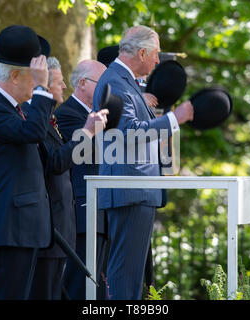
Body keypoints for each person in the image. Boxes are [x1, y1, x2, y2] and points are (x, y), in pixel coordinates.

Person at [92, 25, 194, 300]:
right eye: (156, 54)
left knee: (132, 275)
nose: (158, 61)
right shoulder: (114, 80)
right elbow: (128, 133)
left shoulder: (125, 81)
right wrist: (176, 118)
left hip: (136, 190)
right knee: (125, 274)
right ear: (141, 52)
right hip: (129, 190)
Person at [0, 25, 55, 300]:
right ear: (16, 76)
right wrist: (43, 88)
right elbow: (33, 132)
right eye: (35, 78)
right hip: (8, 229)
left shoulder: (12, 108)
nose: (38, 84)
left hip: (22, 229)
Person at [24, 57, 108, 299]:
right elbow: (57, 162)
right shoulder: (48, 116)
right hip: (50, 221)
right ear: (44, 85)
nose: (63, 87)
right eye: (59, 83)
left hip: (63, 219)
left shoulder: (50, 119)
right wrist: (87, 132)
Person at [54, 59, 109, 300]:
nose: (108, 90)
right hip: (83, 210)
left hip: (102, 208)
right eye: (103, 84)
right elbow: (84, 154)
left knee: (98, 285)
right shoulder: (66, 114)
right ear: (83, 83)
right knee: (80, 284)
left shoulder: (94, 115)